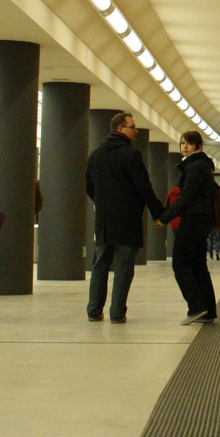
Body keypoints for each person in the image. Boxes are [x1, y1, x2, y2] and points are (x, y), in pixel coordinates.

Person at [85, 112, 164, 323]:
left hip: (103, 222)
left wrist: (103, 204)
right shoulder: (130, 154)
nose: (136, 130)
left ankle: (94, 310)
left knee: (100, 266)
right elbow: (144, 187)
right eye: (132, 127)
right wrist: (160, 214)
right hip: (127, 221)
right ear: (120, 129)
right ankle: (117, 313)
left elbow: (89, 187)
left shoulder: (95, 155)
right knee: (123, 268)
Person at [155, 130, 217, 325]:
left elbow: (186, 196)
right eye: (182, 142)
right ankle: (208, 311)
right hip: (201, 221)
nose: (184, 146)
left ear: (198, 146)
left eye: (189, 143)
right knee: (198, 265)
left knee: (180, 264)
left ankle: (197, 306)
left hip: (192, 221)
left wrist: (165, 217)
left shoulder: (196, 166)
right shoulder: (200, 165)